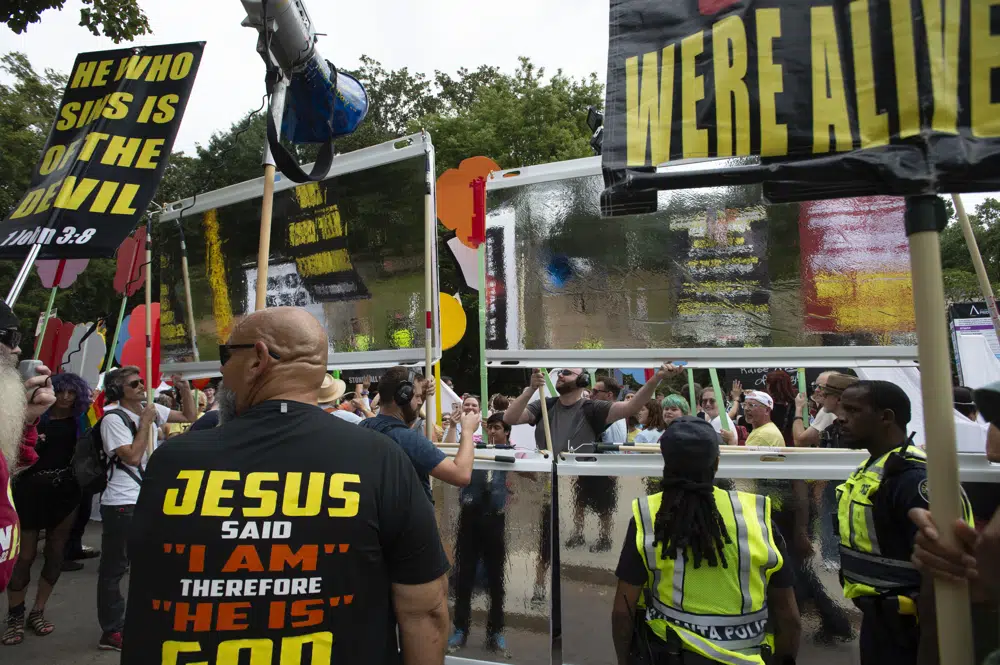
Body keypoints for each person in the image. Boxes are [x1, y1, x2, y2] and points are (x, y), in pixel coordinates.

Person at [121, 306, 451, 665]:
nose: (222, 369)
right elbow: (426, 611)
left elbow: (148, 597)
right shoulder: (382, 459)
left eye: (226, 355)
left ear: (258, 359)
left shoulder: (173, 462)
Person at [611, 417, 801, 665]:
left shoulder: (649, 516)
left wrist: (624, 660)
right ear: (717, 463)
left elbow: (622, 611)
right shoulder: (756, 516)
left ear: (666, 462)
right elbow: (789, 617)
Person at [836, 380, 974, 665]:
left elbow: (938, 571)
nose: (841, 418)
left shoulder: (912, 478)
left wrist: (930, 647)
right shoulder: (878, 467)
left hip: (911, 630)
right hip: (882, 623)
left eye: (852, 410)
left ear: (886, 417)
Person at [95, 366, 196, 651]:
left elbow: (188, 417)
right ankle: (112, 629)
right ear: (118, 391)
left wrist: (184, 389)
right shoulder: (113, 419)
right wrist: (145, 423)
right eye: (134, 384)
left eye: (142, 382)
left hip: (147, 497)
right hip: (122, 502)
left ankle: (142, 619)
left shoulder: (148, 409)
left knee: (150, 562)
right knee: (115, 568)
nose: (142, 386)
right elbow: (131, 457)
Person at [4, 372, 91, 644]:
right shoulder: (33, 416)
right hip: (28, 491)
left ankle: (38, 611)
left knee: (55, 553)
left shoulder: (80, 420)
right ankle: (15, 614)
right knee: (24, 556)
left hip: (65, 491)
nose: (65, 397)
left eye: (72, 393)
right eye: (61, 391)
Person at [360, 366, 478, 500]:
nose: (420, 401)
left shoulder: (365, 425)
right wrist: (467, 430)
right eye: (417, 396)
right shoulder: (409, 440)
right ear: (401, 397)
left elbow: (405, 423)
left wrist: (422, 395)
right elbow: (461, 475)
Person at [448, 412, 512, 655]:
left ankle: (495, 632)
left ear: (507, 432)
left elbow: (529, 477)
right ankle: (460, 629)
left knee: (497, 579)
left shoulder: (514, 454)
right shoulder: (476, 450)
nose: (493, 431)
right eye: (490, 427)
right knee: (464, 577)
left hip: (495, 520)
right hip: (470, 518)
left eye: (498, 428)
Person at [593, 376, 628, 444]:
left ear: (609, 395)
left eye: (595, 392)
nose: (591, 394)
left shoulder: (603, 414)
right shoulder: (621, 413)